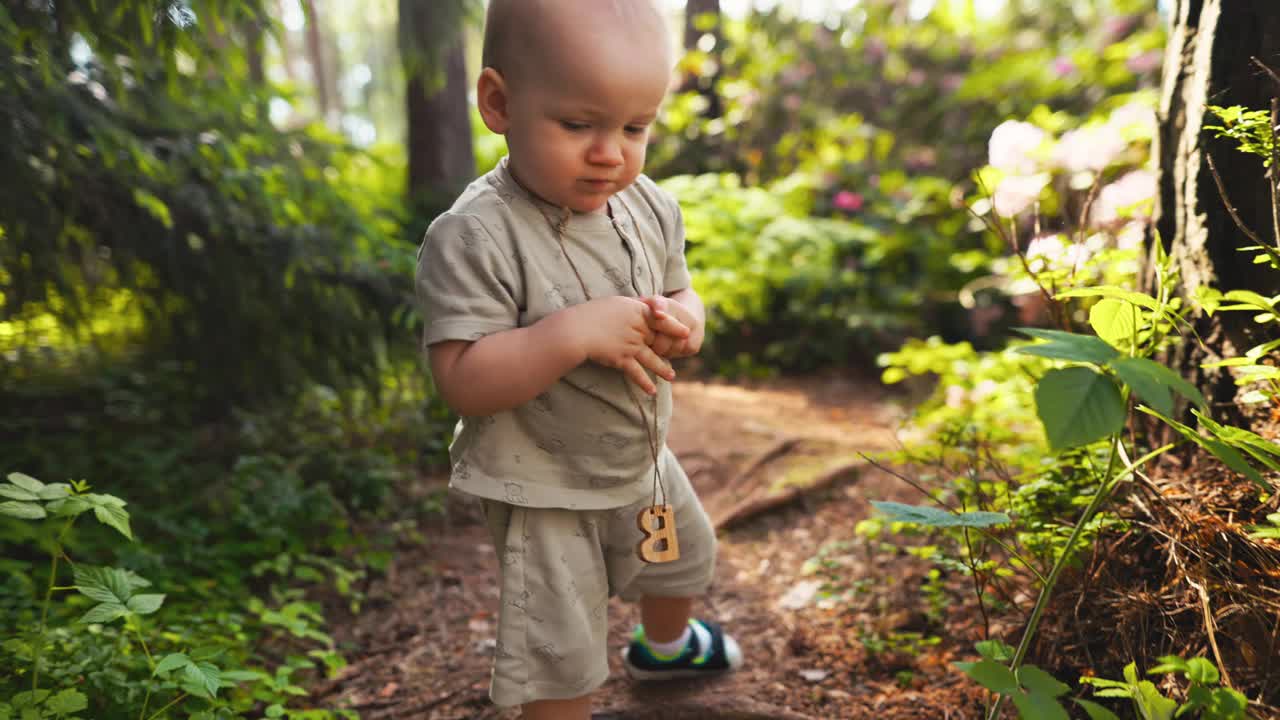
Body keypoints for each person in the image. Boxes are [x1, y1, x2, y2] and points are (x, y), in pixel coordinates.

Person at [413, 1, 742, 718]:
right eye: (577, 125)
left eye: (634, 128)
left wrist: (684, 321)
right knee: (562, 654)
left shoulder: (646, 205)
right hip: (542, 483)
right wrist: (568, 335)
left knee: (683, 559)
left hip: (641, 453)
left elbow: (681, 286)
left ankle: (665, 649)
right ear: (499, 103)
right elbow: (463, 382)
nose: (610, 153)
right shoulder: (474, 235)